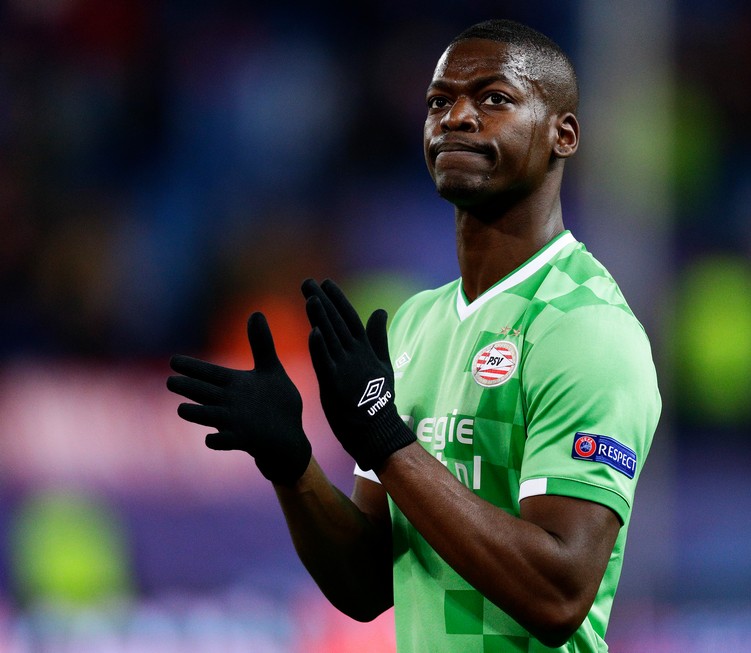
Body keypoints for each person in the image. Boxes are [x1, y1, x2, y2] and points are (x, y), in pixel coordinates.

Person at [167, 19, 661, 653]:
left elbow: (558, 594)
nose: (456, 117)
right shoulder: (416, 323)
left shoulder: (584, 327)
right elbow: (368, 582)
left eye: (494, 98)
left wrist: (386, 440)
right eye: (438, 102)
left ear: (562, 135)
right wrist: (291, 465)